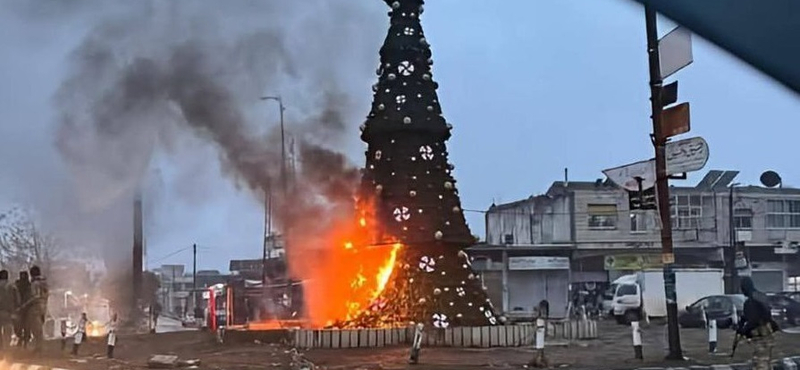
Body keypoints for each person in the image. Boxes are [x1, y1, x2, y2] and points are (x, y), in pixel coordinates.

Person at [737, 277, 780, 370]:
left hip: (760, 334)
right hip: (768, 332)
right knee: (766, 360)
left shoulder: (750, 302)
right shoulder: (761, 296)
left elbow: (753, 320)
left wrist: (744, 331)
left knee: (761, 362)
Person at [22, 266, 48, 353]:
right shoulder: (44, 282)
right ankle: (40, 346)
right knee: (39, 326)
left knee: (36, 328)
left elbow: (35, 296)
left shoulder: (35, 284)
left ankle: (39, 347)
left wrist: (25, 305)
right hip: (43, 306)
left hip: (35, 307)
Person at [14, 271, 31, 348]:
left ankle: (24, 342)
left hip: (26, 308)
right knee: (19, 327)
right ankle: (21, 340)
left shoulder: (29, 286)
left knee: (26, 327)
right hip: (21, 308)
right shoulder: (17, 285)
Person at [0, 270, 14, 350]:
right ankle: (7, 347)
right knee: (7, 330)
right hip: (8, 311)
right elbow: (17, 298)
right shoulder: (11, 286)